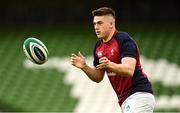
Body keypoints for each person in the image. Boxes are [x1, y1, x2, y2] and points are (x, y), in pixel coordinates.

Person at [71, 7, 155, 113]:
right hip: (125, 100)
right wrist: (84, 67)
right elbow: (98, 77)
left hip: (139, 94)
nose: (96, 27)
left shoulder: (123, 40)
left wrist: (109, 65)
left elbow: (129, 70)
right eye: (95, 24)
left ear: (111, 24)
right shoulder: (98, 47)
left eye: (100, 23)